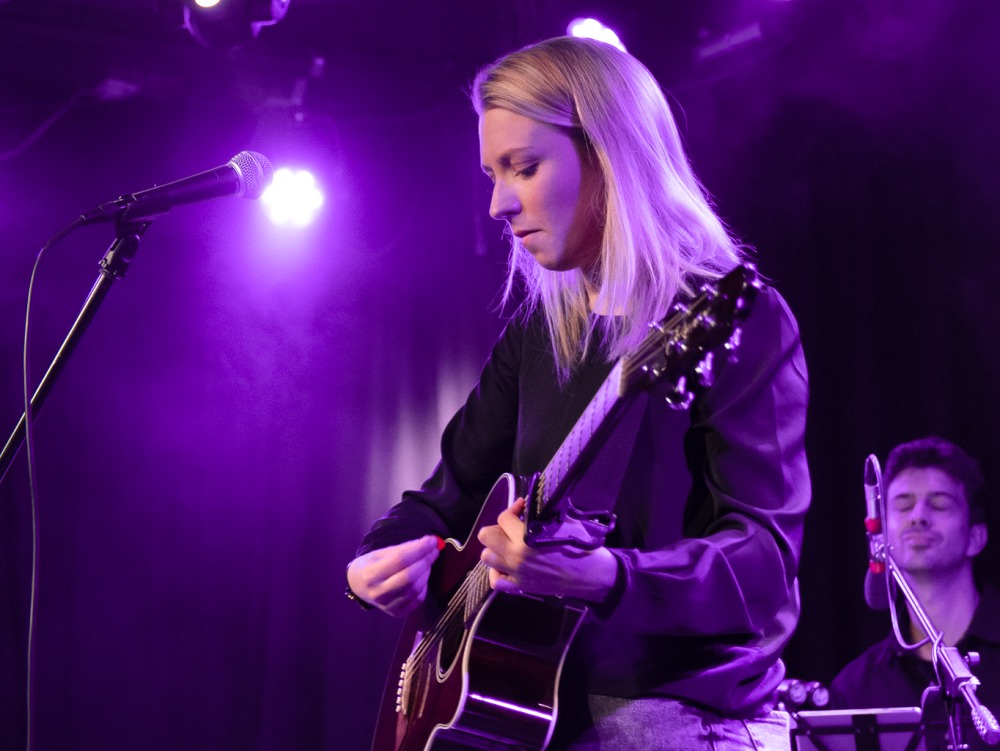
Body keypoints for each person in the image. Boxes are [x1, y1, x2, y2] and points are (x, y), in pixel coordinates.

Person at [346, 36, 810, 750]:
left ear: (608, 156)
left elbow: (764, 566)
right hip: (545, 711)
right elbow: (446, 496)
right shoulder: (540, 332)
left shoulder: (733, 319)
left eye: (524, 168)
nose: (499, 204)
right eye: (492, 174)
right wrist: (375, 561)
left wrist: (605, 576)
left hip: (676, 709)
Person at [829, 436, 1000, 750]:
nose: (918, 516)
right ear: (881, 540)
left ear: (975, 537)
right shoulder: (855, 688)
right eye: (903, 504)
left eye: (939, 504)